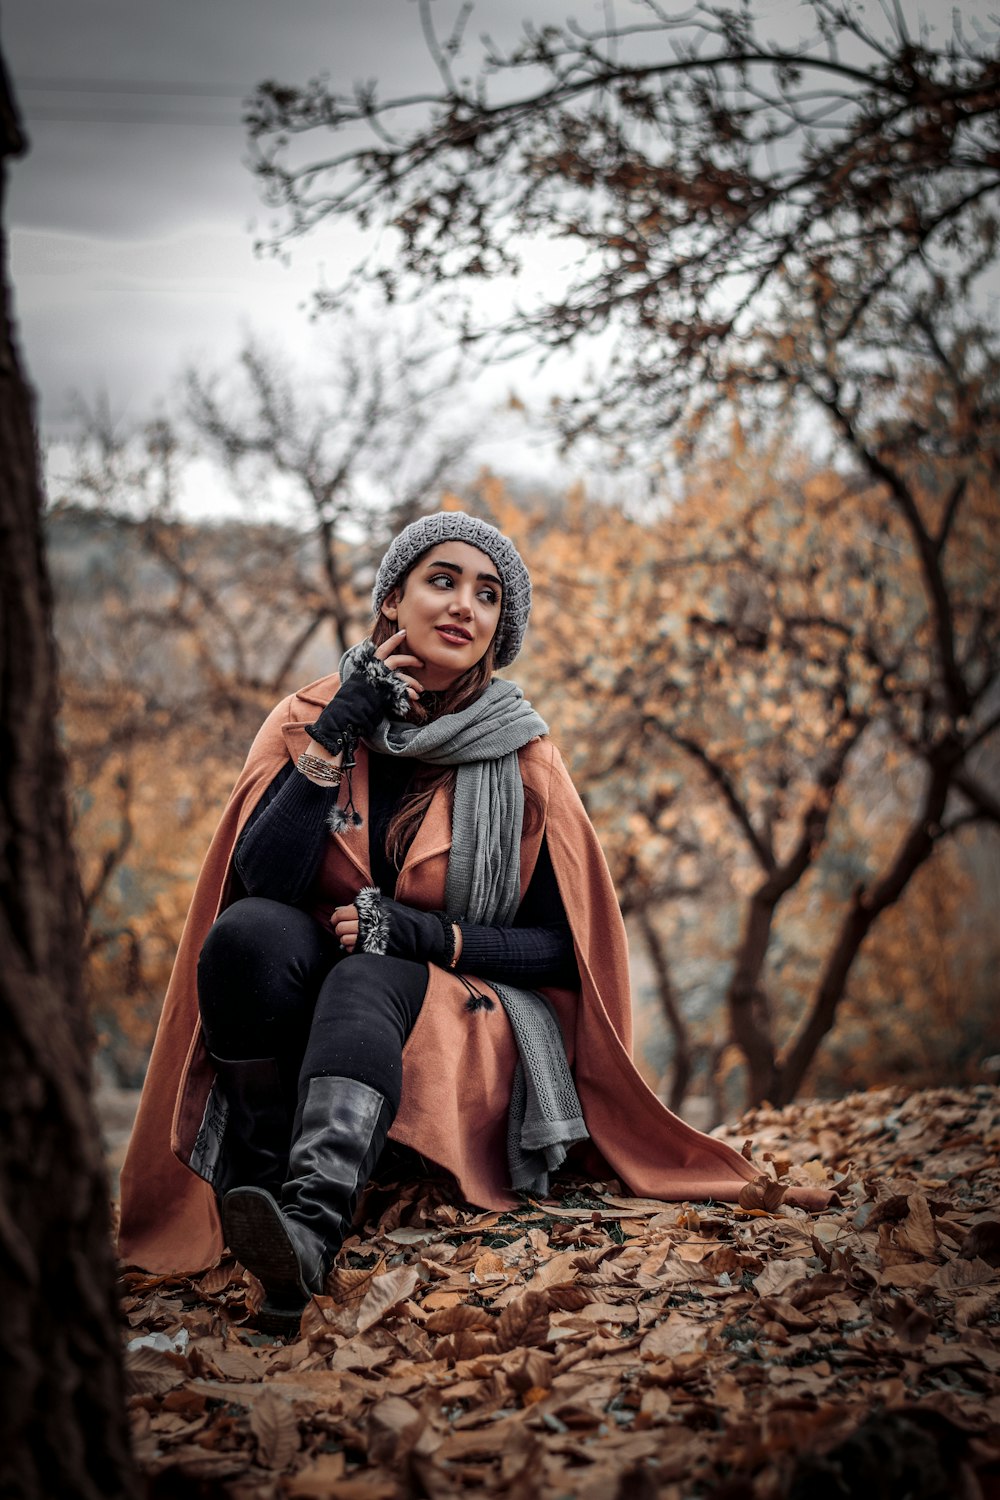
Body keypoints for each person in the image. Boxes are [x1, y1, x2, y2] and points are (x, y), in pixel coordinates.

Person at [118, 511, 829, 1327]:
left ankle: (310, 1232)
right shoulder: (308, 717)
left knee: (370, 970)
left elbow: (569, 951)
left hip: (470, 1015)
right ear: (393, 601)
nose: (464, 605)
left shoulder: (524, 757)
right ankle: (269, 1192)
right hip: (315, 994)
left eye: (487, 595)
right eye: (442, 581)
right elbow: (259, 879)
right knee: (246, 938)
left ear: (499, 628)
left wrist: (429, 938)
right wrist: (339, 728)